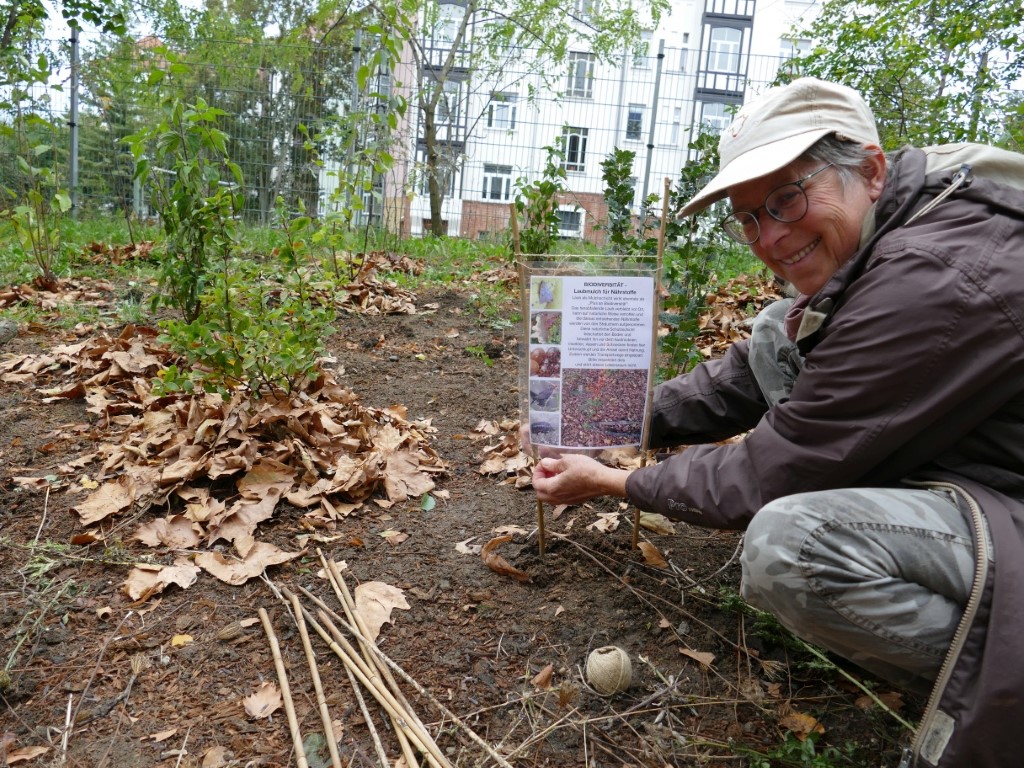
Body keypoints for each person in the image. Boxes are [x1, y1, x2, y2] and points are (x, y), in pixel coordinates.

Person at [529, 77, 1024, 768]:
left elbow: (766, 475)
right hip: (984, 462)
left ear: (872, 170)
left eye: (788, 198)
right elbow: (747, 372)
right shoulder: (910, 217)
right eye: (750, 216)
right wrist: (605, 418)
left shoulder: (935, 275)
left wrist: (613, 482)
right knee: (778, 328)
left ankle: (999, 676)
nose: (770, 237)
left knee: (792, 548)